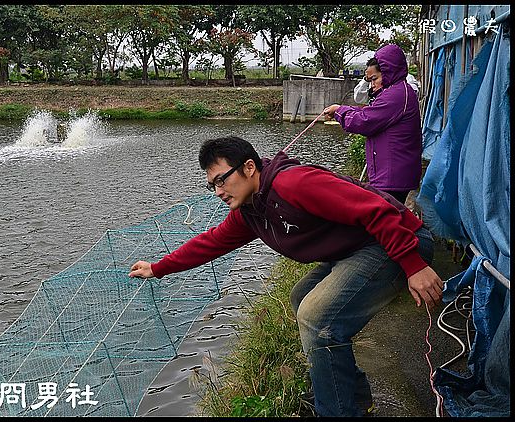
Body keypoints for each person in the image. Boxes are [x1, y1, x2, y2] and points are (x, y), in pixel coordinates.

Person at [129, 136, 444, 417]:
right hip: (357, 250)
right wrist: (158, 268)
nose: (218, 191)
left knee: (317, 318)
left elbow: (377, 210)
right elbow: (211, 242)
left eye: (222, 180)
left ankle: (336, 409)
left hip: (395, 243)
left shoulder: (294, 184)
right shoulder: (250, 211)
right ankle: (351, 396)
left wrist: (413, 265)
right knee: (299, 298)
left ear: (249, 167)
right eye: (212, 185)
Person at [323, 44, 422, 204]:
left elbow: (364, 121)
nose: (372, 85)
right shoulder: (397, 92)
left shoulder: (395, 95)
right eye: (369, 80)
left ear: (389, 72)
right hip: (392, 173)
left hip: (393, 176)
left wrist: (339, 111)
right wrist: (342, 109)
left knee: (386, 221)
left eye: (374, 79)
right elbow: (371, 113)